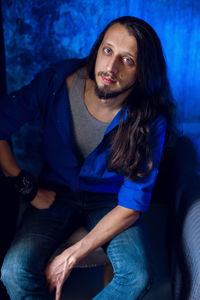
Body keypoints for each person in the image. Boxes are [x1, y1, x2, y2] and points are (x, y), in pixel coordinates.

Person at [0, 16, 174, 300]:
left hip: (111, 202)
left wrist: (70, 256)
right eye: (107, 51)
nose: (111, 67)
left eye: (127, 60)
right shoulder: (55, 83)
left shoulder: (150, 120)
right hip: (55, 194)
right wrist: (26, 187)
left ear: (143, 72)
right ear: (97, 50)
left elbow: (132, 203)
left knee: (138, 276)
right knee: (14, 271)